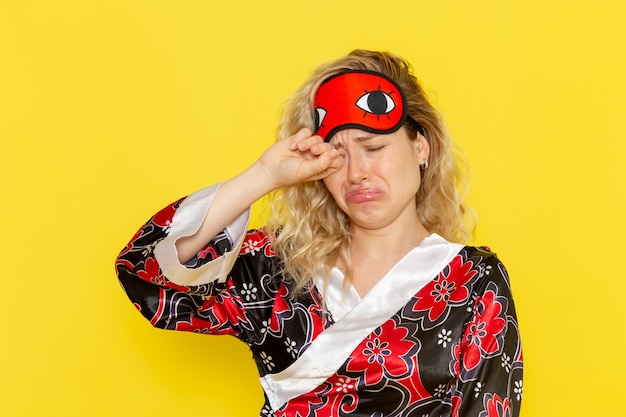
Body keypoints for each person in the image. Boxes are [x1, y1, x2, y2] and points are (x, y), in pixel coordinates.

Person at [115, 49, 523, 417]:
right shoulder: (277, 266)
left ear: (421, 146)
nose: (357, 173)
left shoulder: (473, 281)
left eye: (373, 147)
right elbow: (148, 274)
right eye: (337, 156)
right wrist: (263, 176)